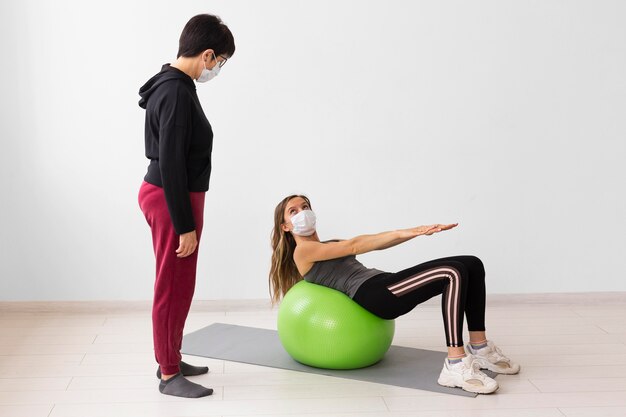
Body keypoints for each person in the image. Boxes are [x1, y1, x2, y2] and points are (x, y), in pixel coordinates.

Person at [269, 195, 520, 394]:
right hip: (376, 295)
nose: (302, 212)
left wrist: (415, 231)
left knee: (472, 264)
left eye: (305, 206)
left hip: (383, 282)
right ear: (285, 226)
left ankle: (480, 349)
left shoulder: (328, 243)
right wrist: (412, 232)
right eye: (294, 211)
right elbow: (355, 245)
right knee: (452, 272)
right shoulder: (302, 252)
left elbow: (374, 240)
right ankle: (454, 365)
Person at [137, 14, 235, 398]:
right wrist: (185, 225)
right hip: (171, 198)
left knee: (181, 283)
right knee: (172, 285)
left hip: (173, 195)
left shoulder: (174, 84)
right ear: (208, 54)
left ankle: (171, 358)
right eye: (221, 61)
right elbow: (173, 161)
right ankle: (168, 374)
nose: (218, 68)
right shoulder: (176, 91)